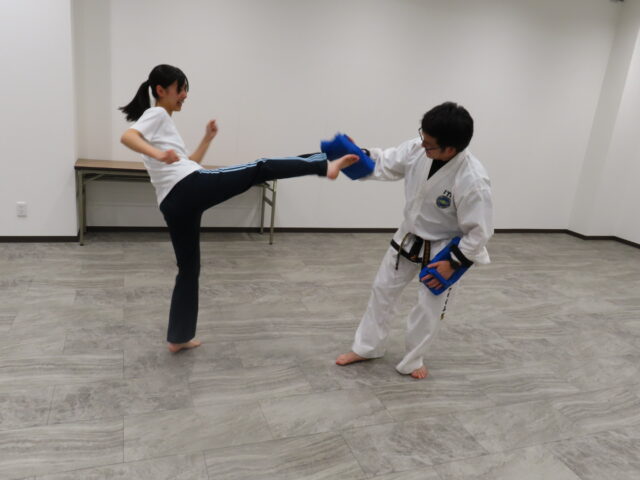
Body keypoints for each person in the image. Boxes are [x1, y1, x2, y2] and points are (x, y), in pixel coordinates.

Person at [119, 64, 357, 353]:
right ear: (161, 90)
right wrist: (159, 154)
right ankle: (325, 165)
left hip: (173, 201)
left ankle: (178, 337)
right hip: (186, 187)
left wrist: (207, 139)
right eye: (180, 89)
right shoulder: (156, 114)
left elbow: (189, 163)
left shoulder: (162, 122)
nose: (185, 95)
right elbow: (128, 137)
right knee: (261, 167)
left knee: (188, 269)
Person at [336, 102, 493, 379]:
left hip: (444, 250)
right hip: (408, 238)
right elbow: (387, 162)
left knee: (428, 309)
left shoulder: (473, 180)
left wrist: (452, 263)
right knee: (382, 291)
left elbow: (479, 232)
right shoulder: (418, 148)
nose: (422, 145)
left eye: (429, 144)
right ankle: (367, 347)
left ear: (450, 150)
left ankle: (413, 360)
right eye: (422, 137)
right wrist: (359, 155)